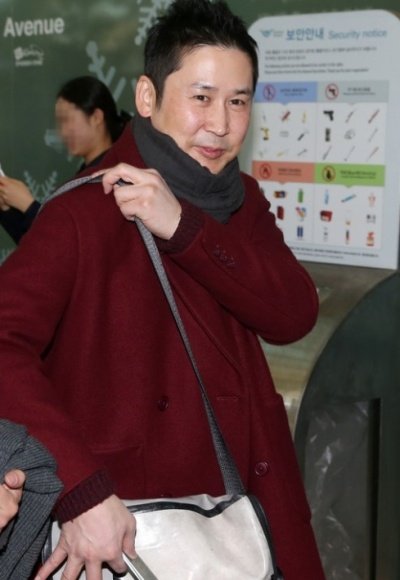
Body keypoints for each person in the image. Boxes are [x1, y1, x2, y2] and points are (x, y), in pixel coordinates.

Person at [0, 1, 325, 578]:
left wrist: (184, 229)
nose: (220, 124)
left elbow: (293, 314)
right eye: (201, 97)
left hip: (248, 514)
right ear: (147, 97)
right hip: (132, 522)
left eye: (238, 101)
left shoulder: (240, 200)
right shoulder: (84, 211)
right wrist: (80, 488)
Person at [0, 76, 130, 244]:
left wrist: (28, 205)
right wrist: (7, 208)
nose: (63, 131)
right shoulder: (87, 173)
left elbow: (76, 243)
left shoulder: (113, 177)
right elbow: (43, 247)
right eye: (60, 122)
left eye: (67, 120)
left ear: (96, 117)